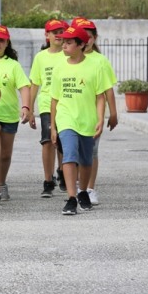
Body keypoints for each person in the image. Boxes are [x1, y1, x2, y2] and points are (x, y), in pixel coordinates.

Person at [50, 26, 108, 215]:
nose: (64, 45)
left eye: (69, 42)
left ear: (81, 44)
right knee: (69, 155)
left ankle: (83, 191)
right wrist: (53, 127)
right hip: (66, 119)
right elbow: (55, 99)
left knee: (86, 160)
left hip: (87, 120)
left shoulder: (95, 66)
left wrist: (100, 118)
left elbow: (100, 96)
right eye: (63, 42)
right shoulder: (59, 68)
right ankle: (72, 198)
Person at [0, 25, 33, 206]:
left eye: (0, 40)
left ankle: (1, 182)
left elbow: (24, 87)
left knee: (5, 154)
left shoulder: (13, 65)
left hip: (9, 113)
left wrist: (26, 106)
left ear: (6, 43)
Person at [72, 18, 118, 204]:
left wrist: (113, 113)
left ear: (94, 38)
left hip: (92, 116)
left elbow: (108, 90)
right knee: (72, 151)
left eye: (90, 36)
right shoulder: (69, 58)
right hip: (72, 113)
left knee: (91, 152)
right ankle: (75, 185)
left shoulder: (100, 62)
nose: (87, 40)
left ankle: (89, 188)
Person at [29, 19, 68, 197]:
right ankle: (48, 180)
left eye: (61, 31)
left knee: (63, 141)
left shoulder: (69, 54)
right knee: (47, 141)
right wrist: (29, 108)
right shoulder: (41, 57)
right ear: (47, 35)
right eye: (55, 31)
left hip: (66, 103)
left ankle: (63, 172)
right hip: (46, 104)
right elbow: (35, 84)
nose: (59, 34)